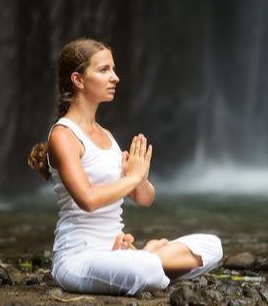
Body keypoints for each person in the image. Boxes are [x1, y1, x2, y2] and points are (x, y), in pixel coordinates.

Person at [27, 38, 223, 295]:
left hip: (115, 250)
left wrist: (139, 178)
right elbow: (88, 200)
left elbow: (144, 198)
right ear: (78, 80)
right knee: (146, 269)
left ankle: (142, 256)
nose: (115, 77)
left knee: (212, 246)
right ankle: (149, 255)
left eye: (114, 69)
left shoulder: (105, 135)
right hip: (77, 259)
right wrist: (132, 178)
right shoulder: (63, 136)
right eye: (104, 70)